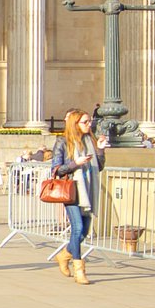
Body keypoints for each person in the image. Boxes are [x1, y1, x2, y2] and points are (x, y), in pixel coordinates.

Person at [52, 109, 103, 284]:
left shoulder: (91, 141)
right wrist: (75, 164)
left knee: (84, 232)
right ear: (75, 124)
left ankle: (64, 255)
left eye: (89, 122)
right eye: (85, 122)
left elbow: (100, 166)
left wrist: (101, 150)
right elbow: (57, 169)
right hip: (73, 190)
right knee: (78, 227)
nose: (89, 125)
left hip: (88, 190)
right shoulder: (62, 142)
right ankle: (79, 270)